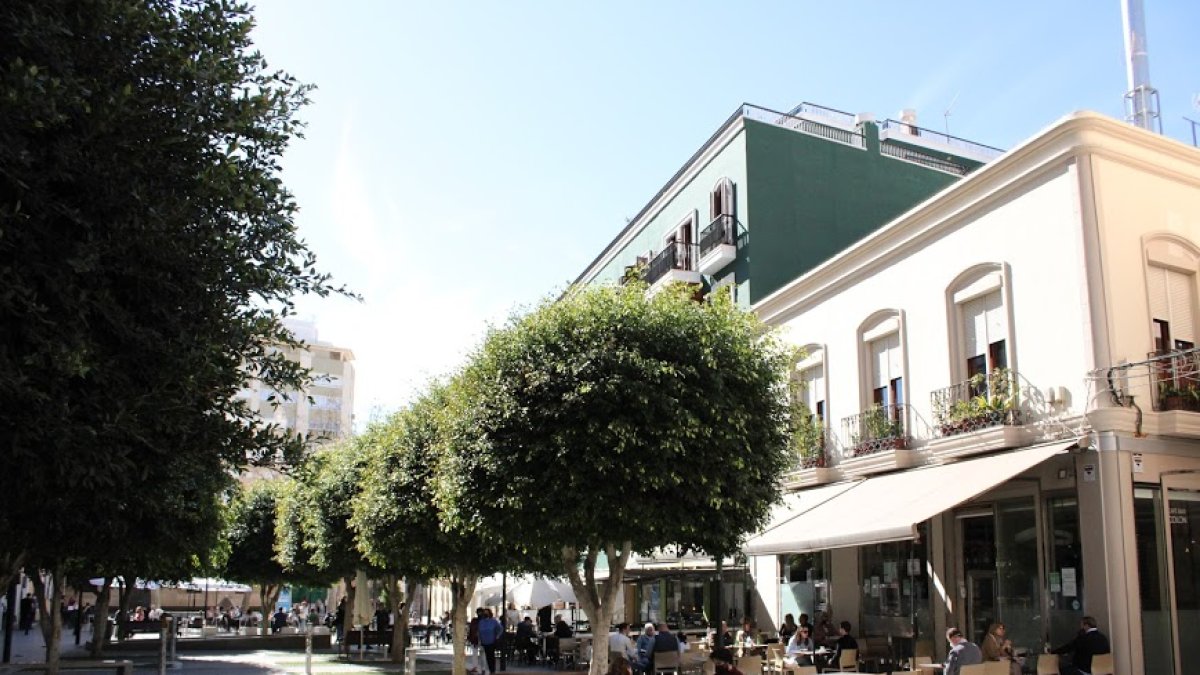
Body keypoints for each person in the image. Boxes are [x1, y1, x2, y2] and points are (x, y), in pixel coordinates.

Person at [479, 608, 504, 675]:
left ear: (490, 613)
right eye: (484, 612)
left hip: (492, 641)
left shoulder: (493, 621)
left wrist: (497, 636)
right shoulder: (481, 622)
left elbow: (501, 628)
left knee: (491, 656)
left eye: (487, 612)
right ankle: (490, 669)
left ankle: (492, 670)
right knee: (487, 656)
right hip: (484, 641)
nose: (485, 614)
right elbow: (479, 631)